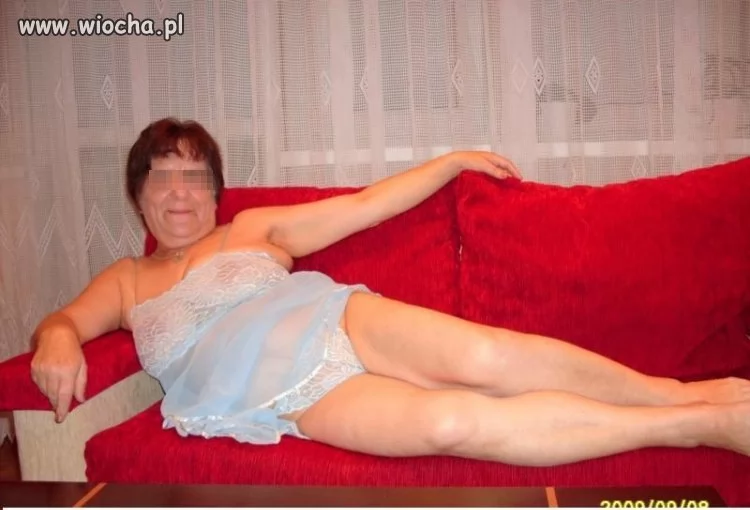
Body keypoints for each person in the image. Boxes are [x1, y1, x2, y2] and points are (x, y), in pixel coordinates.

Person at [30, 117, 750, 466]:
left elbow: (366, 205)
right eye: (162, 177)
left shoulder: (252, 227)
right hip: (290, 397)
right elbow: (64, 322)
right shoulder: (125, 280)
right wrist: (57, 338)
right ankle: (699, 425)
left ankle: (682, 395)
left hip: (337, 319)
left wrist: (450, 163)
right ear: (138, 194)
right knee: (451, 424)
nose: (180, 193)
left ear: (216, 192)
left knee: (489, 358)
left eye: (195, 177)